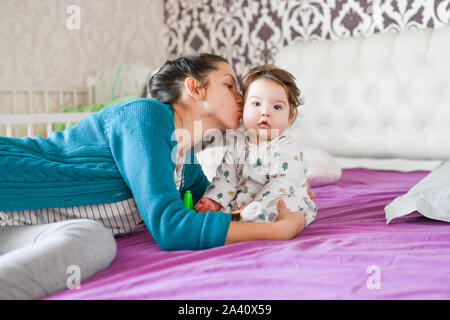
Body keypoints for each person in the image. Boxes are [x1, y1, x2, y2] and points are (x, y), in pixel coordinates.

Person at [0, 53, 311, 299]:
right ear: (194, 88)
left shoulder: (186, 160)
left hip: (17, 225)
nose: (242, 98)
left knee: (92, 240)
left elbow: (219, 211)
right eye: (229, 86)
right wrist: (277, 231)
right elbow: (171, 227)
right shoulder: (144, 116)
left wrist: (288, 196)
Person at [194, 65, 317, 226]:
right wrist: (214, 200)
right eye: (256, 104)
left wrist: (257, 205)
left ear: (290, 117)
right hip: (243, 200)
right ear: (243, 108)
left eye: (277, 107)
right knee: (216, 213)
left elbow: (281, 184)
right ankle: (237, 219)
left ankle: (258, 220)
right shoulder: (236, 142)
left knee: (290, 208)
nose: (265, 112)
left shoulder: (286, 147)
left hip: (277, 197)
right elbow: (226, 178)